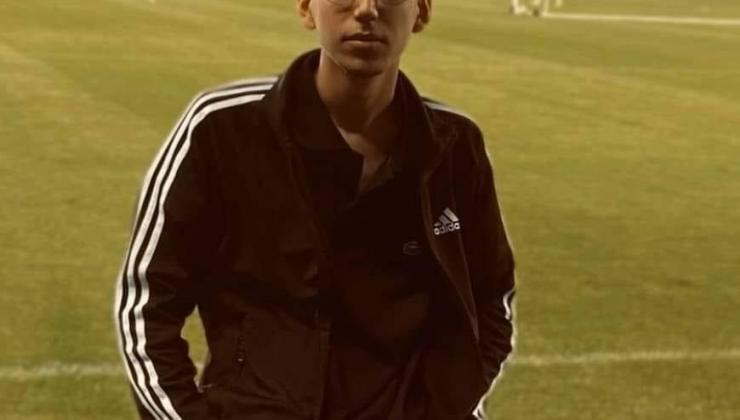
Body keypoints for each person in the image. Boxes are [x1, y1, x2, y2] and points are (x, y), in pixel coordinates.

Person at [113, 0, 516, 419]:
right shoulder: (223, 129)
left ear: (422, 11)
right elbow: (147, 302)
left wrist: (445, 407)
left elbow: (491, 301)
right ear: (307, 8)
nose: (367, 9)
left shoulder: (454, 146)